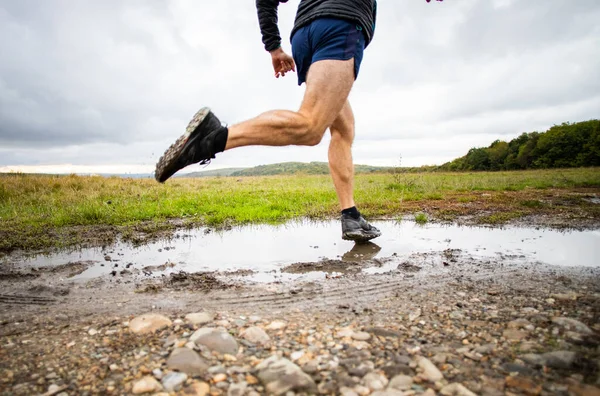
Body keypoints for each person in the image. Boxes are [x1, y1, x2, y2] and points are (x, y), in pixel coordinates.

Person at [155, 0, 381, 242]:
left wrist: (274, 47)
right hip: (341, 24)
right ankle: (212, 138)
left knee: (344, 128)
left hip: (304, 36)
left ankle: (351, 215)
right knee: (311, 127)